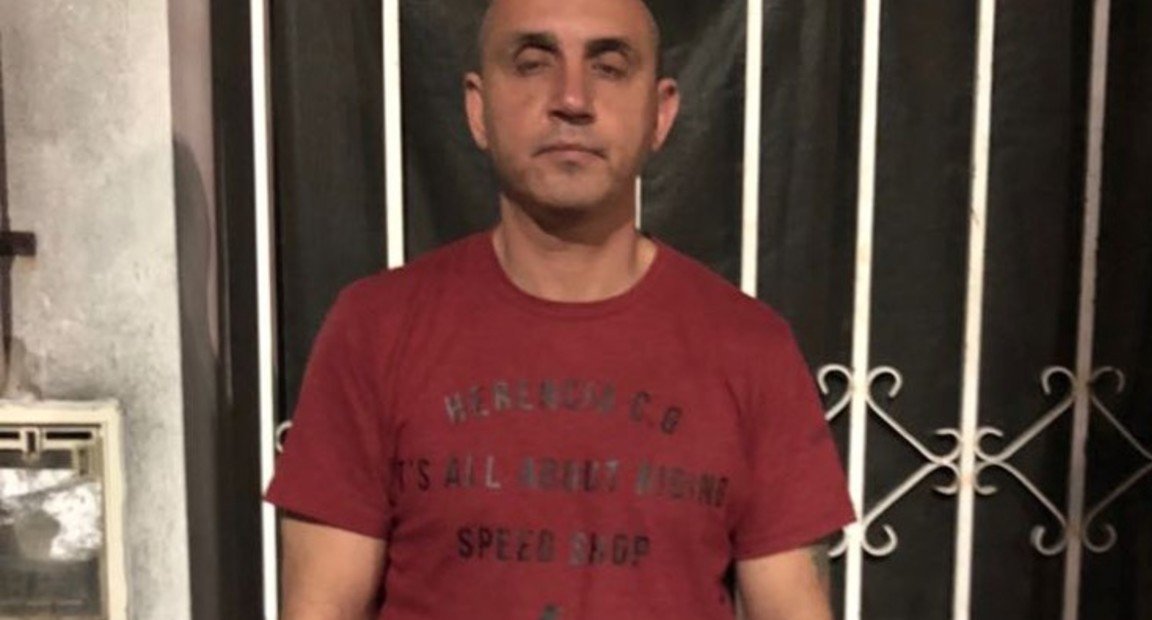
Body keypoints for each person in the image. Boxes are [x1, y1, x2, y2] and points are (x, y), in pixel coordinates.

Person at [264, 0, 855, 617]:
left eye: (609, 67)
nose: (572, 99)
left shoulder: (750, 348)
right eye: (532, 63)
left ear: (660, 113)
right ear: (478, 108)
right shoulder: (375, 329)